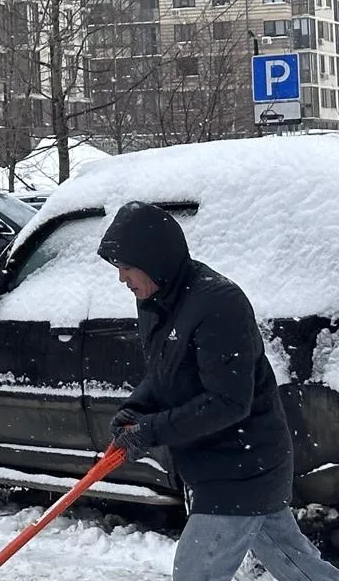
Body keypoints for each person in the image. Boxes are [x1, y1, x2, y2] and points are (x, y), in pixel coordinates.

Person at [98, 201, 339, 581]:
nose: (121, 278)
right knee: (297, 566)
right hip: (220, 465)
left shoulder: (218, 304)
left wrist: (152, 431)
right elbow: (166, 372)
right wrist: (136, 409)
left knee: (197, 572)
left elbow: (228, 403)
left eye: (126, 267)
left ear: (154, 259)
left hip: (241, 465)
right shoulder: (157, 301)